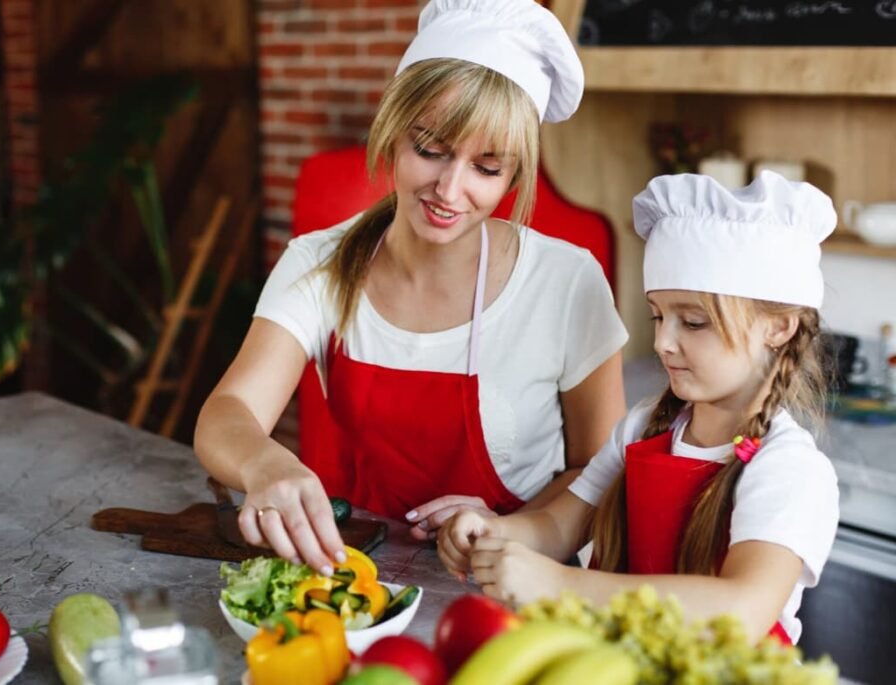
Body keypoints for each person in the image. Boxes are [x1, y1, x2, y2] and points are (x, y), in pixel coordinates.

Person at [194, 0, 627, 578]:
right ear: (393, 131)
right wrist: (264, 464)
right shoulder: (318, 263)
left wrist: (512, 530)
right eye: (430, 149)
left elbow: (600, 474)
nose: (450, 189)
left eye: (487, 168)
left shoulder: (568, 283)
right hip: (344, 575)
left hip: (510, 584)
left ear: (515, 175)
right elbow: (229, 411)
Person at [438, 170, 841, 645]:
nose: (663, 342)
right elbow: (556, 526)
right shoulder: (641, 429)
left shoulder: (789, 468)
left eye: (693, 322)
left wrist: (563, 585)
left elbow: (743, 609)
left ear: (779, 328)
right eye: (658, 315)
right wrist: (494, 535)